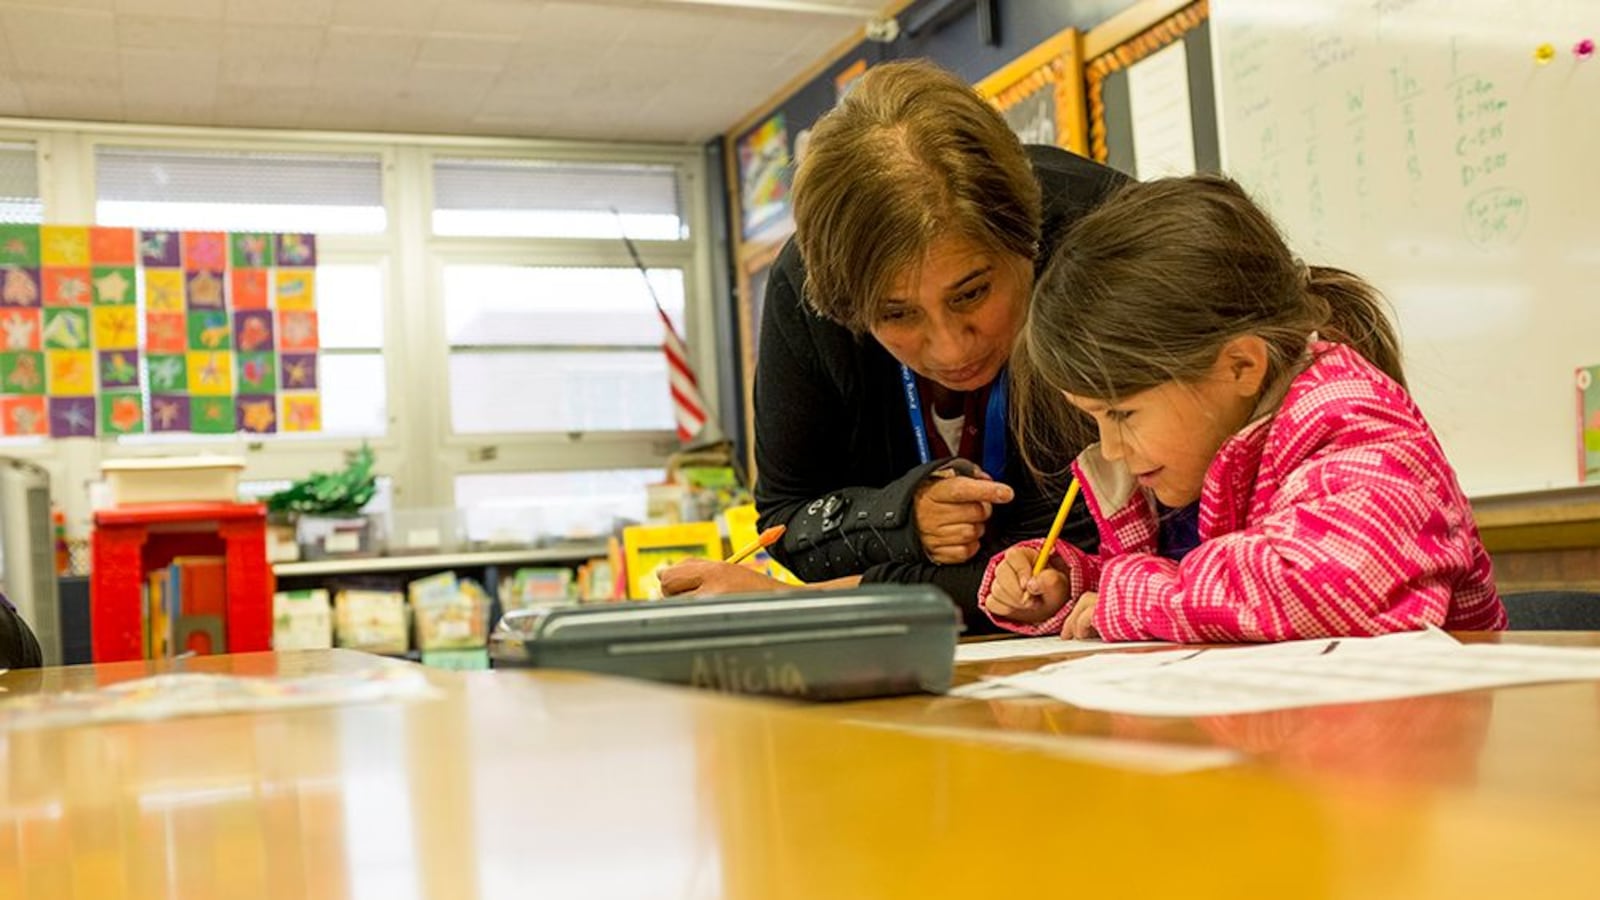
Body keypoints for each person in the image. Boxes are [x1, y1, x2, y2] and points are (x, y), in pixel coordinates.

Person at [659, 60, 1128, 631]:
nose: (952, 349)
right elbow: (784, 520)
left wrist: (806, 603)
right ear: (847, 308)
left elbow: (1074, 558)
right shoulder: (806, 287)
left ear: (1027, 240)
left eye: (972, 292)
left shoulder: (1100, 237)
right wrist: (898, 515)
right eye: (895, 314)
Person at [980, 174, 1506, 642]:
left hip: (1432, 739)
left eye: (1122, 414)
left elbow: (1330, 582)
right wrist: (1076, 588)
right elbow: (1185, 579)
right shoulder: (1197, 451)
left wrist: (1129, 598)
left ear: (1240, 366)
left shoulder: (1349, 420)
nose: (1110, 448)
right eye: (1094, 418)